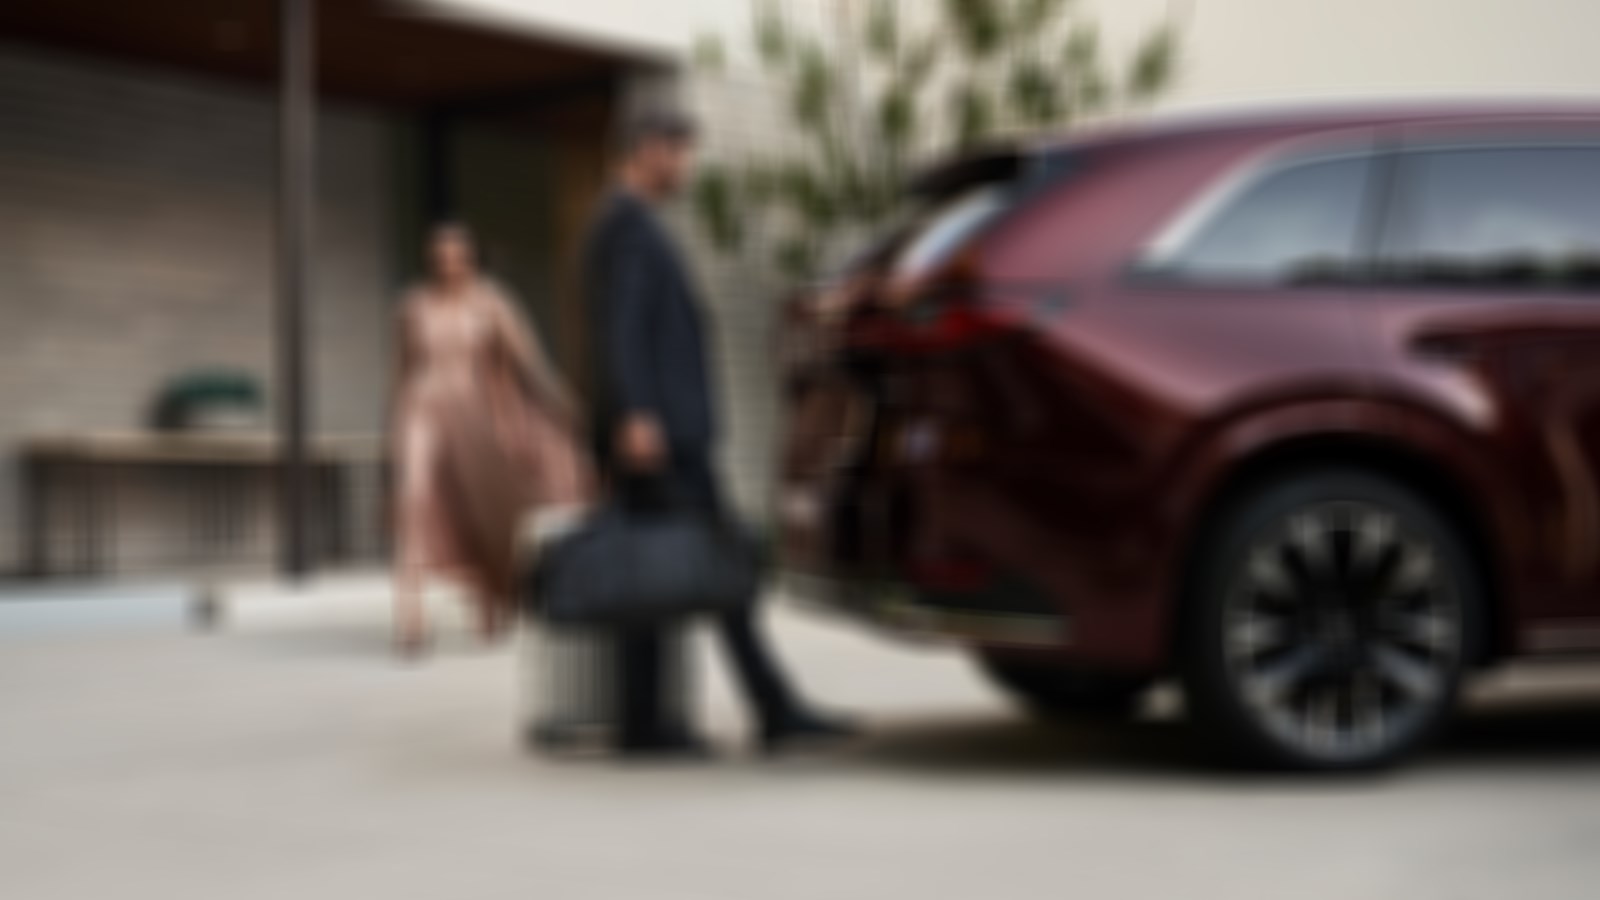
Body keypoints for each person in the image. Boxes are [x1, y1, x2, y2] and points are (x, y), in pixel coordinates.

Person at [584, 109, 856, 756]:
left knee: (662, 571)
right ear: (648, 151)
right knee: (712, 563)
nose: (687, 168)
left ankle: (662, 720)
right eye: (680, 154)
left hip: (660, 433)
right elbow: (621, 329)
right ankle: (760, 711)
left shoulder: (625, 224)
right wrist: (638, 414)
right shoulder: (627, 227)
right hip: (661, 437)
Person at [391, 223, 593, 658]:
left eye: (457, 257)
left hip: (474, 415)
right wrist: (392, 426)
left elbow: (529, 364)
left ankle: (489, 599)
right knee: (413, 498)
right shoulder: (413, 306)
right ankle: (410, 615)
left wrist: (566, 408)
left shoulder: (492, 303)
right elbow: (402, 371)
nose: (449, 265)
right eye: (440, 256)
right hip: (422, 411)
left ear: (470, 259)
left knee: (474, 508)